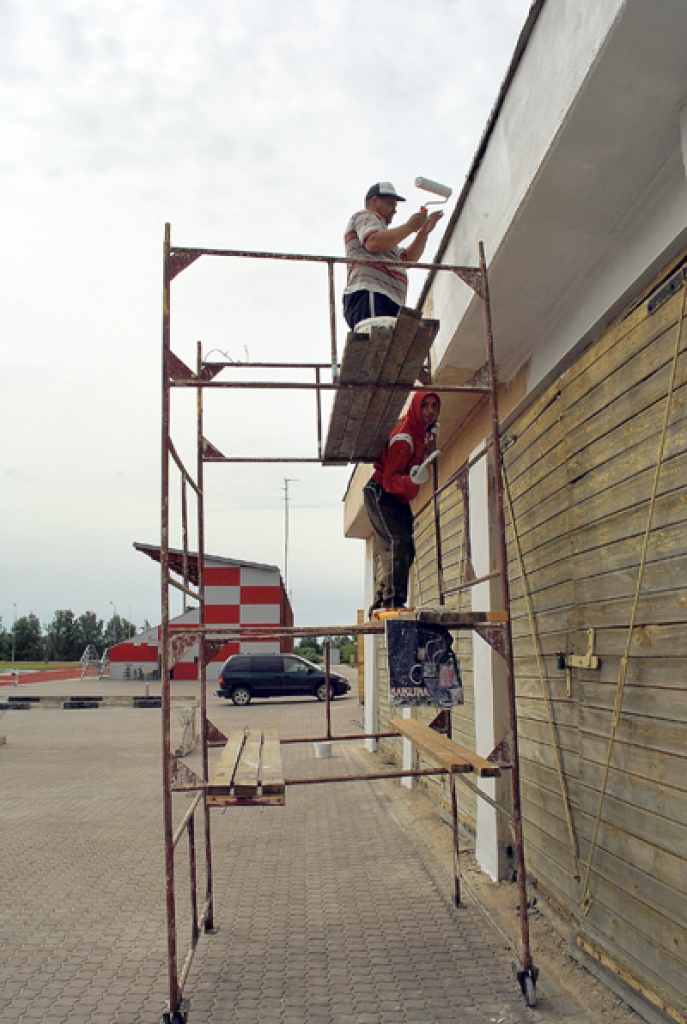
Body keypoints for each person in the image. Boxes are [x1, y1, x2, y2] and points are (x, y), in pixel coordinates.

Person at [364, 390, 441, 615]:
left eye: (435, 406)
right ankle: (392, 601)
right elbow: (389, 480)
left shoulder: (419, 435)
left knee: (406, 548)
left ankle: (383, 598)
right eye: (425, 405)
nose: (430, 411)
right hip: (380, 492)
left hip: (394, 497)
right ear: (415, 408)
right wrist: (410, 480)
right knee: (398, 543)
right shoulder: (404, 438)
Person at [343, 182, 443, 330]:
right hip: (373, 292)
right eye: (390, 204)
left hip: (388, 297)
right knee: (376, 341)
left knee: (383, 345)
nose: (394, 210)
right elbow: (373, 242)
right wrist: (410, 227)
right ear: (374, 201)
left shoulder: (388, 240)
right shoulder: (366, 216)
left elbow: (407, 259)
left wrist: (424, 231)